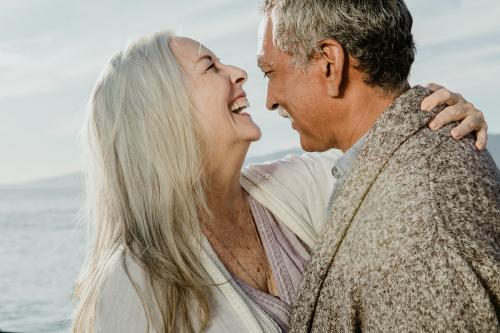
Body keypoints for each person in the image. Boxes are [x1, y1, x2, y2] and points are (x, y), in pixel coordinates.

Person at [71, 30, 490, 333]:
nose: (238, 73)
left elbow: (385, 153)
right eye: (210, 66)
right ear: (164, 115)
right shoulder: (132, 284)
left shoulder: (296, 184)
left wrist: (436, 116)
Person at [257, 1, 500, 332]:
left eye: (270, 72)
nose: (269, 99)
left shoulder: (420, 221)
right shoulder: (406, 159)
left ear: (330, 63)